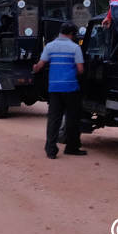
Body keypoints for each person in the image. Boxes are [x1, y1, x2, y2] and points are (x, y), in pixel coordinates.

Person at [33, 21, 86, 159]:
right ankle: (72, 147)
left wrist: (35, 69)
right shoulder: (75, 48)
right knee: (72, 118)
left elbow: (39, 66)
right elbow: (80, 69)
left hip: (54, 88)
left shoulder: (50, 46)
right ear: (72, 34)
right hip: (71, 88)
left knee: (54, 119)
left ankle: (50, 149)